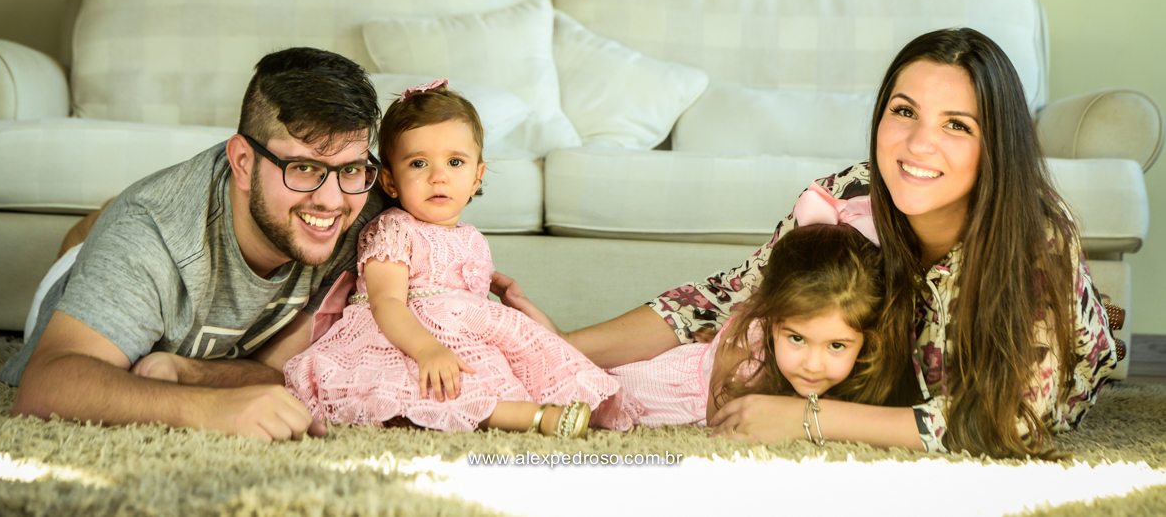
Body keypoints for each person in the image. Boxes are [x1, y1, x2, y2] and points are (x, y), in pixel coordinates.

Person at [502, 28, 1117, 457]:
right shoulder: (850, 194)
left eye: (956, 125)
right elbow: (726, 296)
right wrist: (559, 349)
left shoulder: (1033, 237)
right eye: (904, 112)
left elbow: (1011, 424)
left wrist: (806, 419)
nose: (917, 144)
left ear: (996, 146)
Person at [2, 47, 384, 442]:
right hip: (89, 268)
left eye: (351, 168)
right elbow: (44, 387)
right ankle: (90, 231)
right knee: (98, 242)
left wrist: (190, 373)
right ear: (243, 162)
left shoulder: (365, 218)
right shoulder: (149, 235)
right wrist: (209, 409)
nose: (332, 201)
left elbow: (278, 372)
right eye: (303, 167)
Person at [283, 80, 634, 437]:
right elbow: (385, 302)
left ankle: (549, 402)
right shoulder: (393, 229)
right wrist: (426, 349)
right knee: (438, 387)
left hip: (460, 340)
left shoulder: (472, 237)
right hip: (403, 339)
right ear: (390, 181)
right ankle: (536, 417)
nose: (438, 177)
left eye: (454, 162)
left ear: (476, 176)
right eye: (418, 163)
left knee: (495, 372)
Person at [609, 216, 897, 432]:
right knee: (591, 395)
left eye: (836, 346)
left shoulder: (872, 364)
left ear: (867, 339)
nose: (813, 365)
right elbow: (721, 423)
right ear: (770, 320)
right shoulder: (748, 352)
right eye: (797, 339)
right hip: (646, 389)